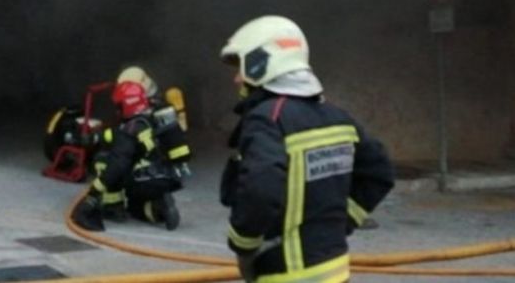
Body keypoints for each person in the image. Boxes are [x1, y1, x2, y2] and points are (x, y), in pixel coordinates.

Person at [219, 15, 394, 283]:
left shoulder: (268, 118)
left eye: (240, 67)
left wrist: (243, 246)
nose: (236, 78)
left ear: (262, 64)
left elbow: (260, 189)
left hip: (287, 274)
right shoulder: (336, 116)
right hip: (335, 272)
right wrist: (339, 224)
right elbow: (380, 173)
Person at [71, 66, 191, 232]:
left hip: (145, 175)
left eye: (119, 105)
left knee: (104, 160)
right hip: (172, 175)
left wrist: (92, 195)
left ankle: (113, 207)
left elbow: (118, 163)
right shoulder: (161, 111)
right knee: (135, 207)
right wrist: (98, 137)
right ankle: (157, 209)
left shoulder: (131, 128)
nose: (117, 109)